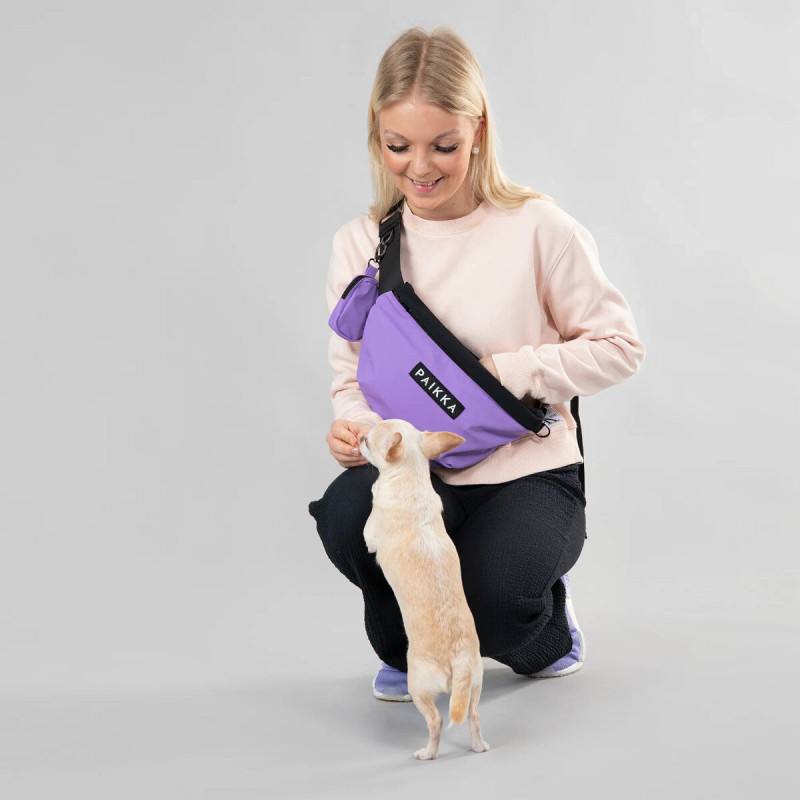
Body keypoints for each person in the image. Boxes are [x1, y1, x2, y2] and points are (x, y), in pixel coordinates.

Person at [308, 26, 645, 701]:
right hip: (416, 468)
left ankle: (547, 631)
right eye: (398, 146)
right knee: (345, 517)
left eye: (443, 145)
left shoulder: (540, 229)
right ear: (377, 137)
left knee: (497, 606)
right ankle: (408, 646)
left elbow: (620, 348)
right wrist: (356, 431)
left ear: (479, 131)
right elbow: (350, 378)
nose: (420, 168)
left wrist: (506, 373)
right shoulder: (362, 243)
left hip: (527, 468)